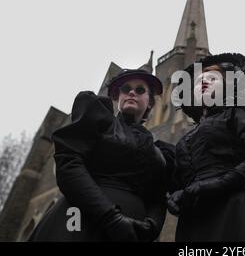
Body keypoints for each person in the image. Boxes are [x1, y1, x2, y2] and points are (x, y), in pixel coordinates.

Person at [29, 69, 175, 241]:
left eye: (140, 90)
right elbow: (69, 166)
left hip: (130, 235)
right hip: (80, 222)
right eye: (126, 88)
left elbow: (157, 197)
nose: (132, 92)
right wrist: (109, 216)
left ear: (150, 103)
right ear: (118, 97)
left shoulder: (161, 152)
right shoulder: (99, 121)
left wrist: (152, 226)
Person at [167, 53, 245, 241]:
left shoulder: (238, 112)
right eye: (199, 81)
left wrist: (224, 182)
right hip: (195, 219)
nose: (204, 81)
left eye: (212, 78)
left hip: (235, 206)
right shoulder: (186, 138)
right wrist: (177, 195)